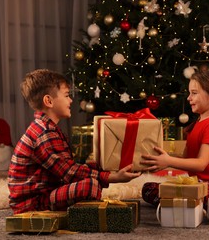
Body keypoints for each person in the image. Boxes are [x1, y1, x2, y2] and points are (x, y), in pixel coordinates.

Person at [8, 69, 141, 214]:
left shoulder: (47, 127)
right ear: (49, 101)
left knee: (92, 172)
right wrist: (112, 177)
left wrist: (105, 168)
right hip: (32, 204)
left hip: (47, 191)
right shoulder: (44, 133)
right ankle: (84, 215)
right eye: (66, 95)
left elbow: (69, 166)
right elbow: (69, 172)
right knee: (89, 185)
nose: (71, 100)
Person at [141, 67, 209, 206]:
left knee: (168, 192)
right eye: (189, 93)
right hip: (199, 185)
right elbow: (187, 160)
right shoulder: (197, 123)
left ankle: (183, 202)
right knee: (148, 188)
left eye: (194, 93)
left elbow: (201, 164)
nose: (189, 98)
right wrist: (163, 160)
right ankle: (184, 203)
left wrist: (169, 161)